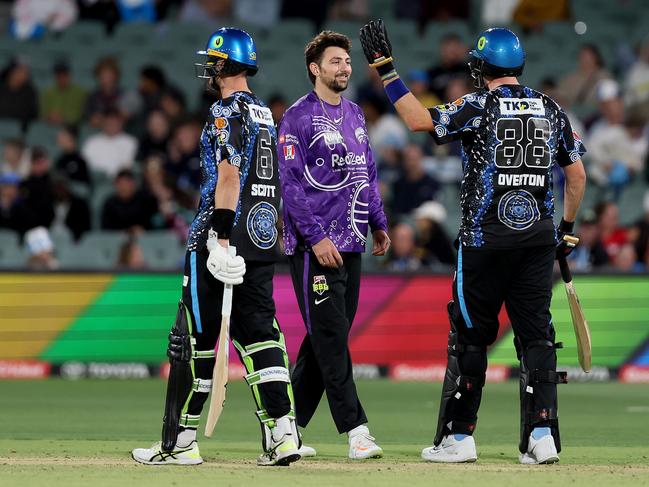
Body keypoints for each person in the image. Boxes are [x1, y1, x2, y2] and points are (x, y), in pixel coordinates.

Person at [360, 22, 587, 464]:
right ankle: (543, 437)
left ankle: (459, 438)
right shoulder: (551, 109)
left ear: (481, 68)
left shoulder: (479, 104)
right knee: (537, 336)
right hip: (537, 241)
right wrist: (566, 229)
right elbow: (576, 176)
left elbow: (418, 120)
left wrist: (386, 70)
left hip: (484, 242)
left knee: (469, 337)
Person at [132, 27, 305, 467]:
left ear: (226, 65)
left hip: (219, 236)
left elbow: (229, 175)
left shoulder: (224, 111)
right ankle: (283, 434)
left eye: (213, 61)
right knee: (262, 336)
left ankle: (179, 442)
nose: (209, 68)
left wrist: (221, 236)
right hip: (263, 236)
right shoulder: (266, 113)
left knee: (193, 340)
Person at [277, 31, 390, 460]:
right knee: (331, 339)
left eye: (347, 61)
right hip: (314, 249)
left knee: (324, 340)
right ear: (315, 68)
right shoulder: (296, 118)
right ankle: (357, 431)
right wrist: (317, 237)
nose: (344, 68)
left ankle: (286, 430)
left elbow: (367, 174)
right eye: (336, 61)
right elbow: (291, 187)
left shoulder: (357, 115)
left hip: (354, 241)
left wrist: (378, 223)